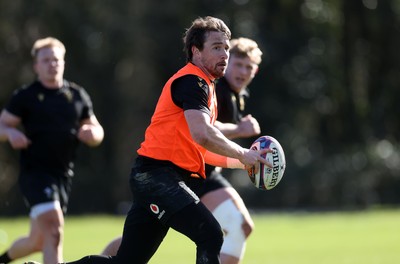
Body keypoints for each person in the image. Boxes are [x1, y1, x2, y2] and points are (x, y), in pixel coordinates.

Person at [44, 16, 270, 264]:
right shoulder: (192, 81)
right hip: (158, 178)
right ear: (196, 51)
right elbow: (203, 134)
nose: (224, 54)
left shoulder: (206, 86)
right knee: (211, 234)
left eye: (226, 48)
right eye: (217, 47)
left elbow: (201, 149)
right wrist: (242, 152)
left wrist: (245, 163)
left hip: (155, 178)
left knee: (126, 262)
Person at [100, 37, 263, 264]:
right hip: (184, 172)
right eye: (238, 63)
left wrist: (243, 160)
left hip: (193, 170)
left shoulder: (232, 94)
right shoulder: (210, 87)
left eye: (249, 66)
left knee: (133, 253)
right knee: (216, 232)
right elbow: (204, 130)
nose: (242, 71)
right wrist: (240, 137)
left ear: (256, 71)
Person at [0, 37, 104, 264]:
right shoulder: (25, 96)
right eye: (46, 60)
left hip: (62, 175)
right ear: (36, 65)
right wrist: (10, 133)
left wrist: (91, 133)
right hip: (35, 173)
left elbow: (97, 130)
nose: (52, 64)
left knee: (37, 241)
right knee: (55, 230)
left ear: (63, 63)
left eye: (56, 59)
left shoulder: (76, 95)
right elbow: (2, 124)